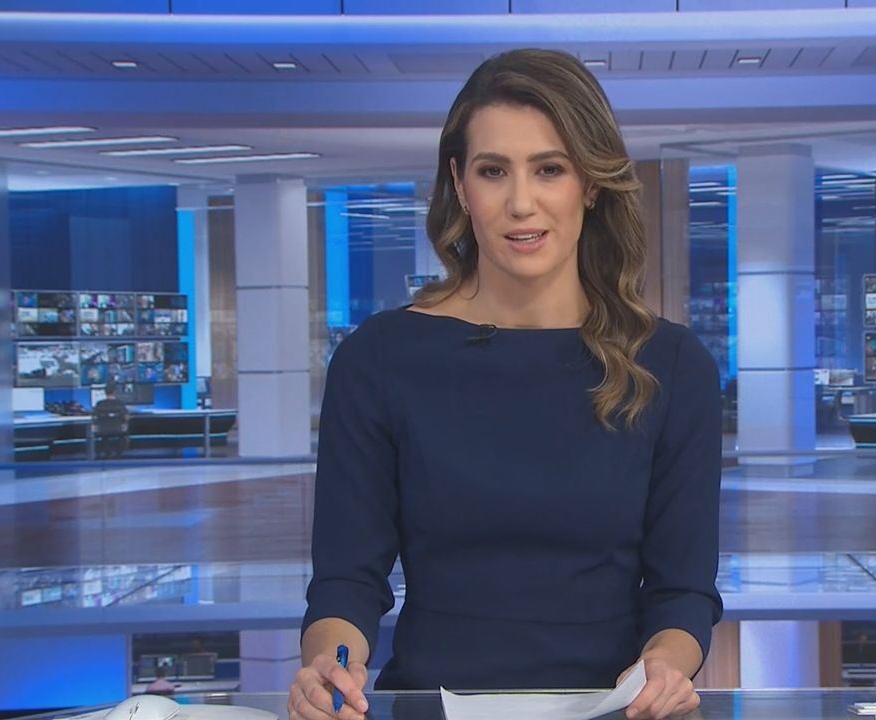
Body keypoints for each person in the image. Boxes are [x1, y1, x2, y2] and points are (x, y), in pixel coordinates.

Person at [289, 48, 722, 720]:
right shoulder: (377, 359)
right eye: (493, 171)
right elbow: (347, 581)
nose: (521, 203)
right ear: (460, 184)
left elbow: (683, 592)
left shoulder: (672, 365)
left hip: (611, 711)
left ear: (591, 183)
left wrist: (664, 667)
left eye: (550, 169)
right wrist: (331, 664)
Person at [92, 381, 128, 459]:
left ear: (105, 392)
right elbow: (126, 418)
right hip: (117, 429)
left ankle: (107, 453)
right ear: (115, 391)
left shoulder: (99, 404)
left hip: (102, 430)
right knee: (125, 432)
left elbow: (94, 418)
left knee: (104, 436)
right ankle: (118, 454)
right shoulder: (120, 403)